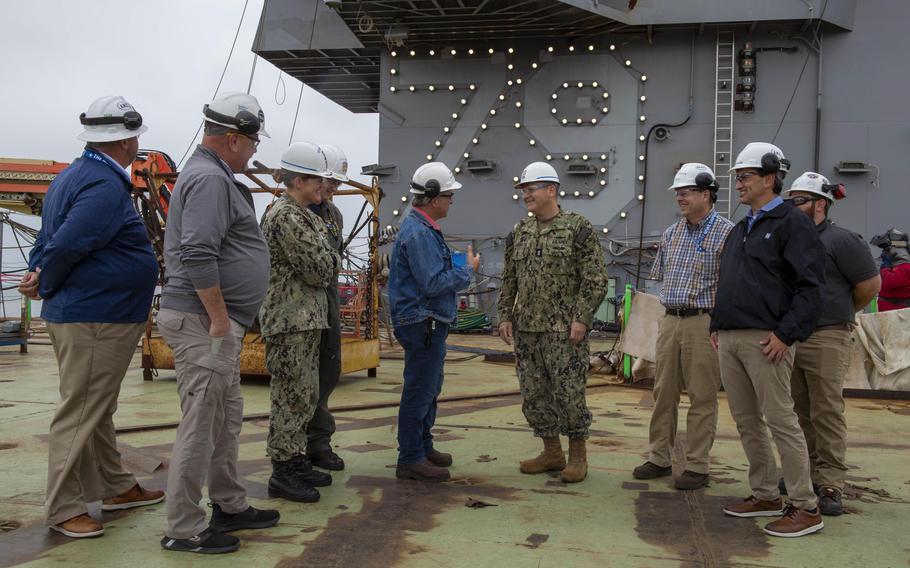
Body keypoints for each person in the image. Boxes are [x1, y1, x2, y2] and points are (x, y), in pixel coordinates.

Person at [18, 95, 163, 538]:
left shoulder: (73, 176)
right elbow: (67, 244)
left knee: (96, 407)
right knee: (81, 410)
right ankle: (63, 509)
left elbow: (49, 237)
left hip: (85, 312)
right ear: (126, 140)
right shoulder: (103, 185)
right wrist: (46, 277)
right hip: (97, 315)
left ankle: (114, 486)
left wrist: (39, 272)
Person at [157, 92, 278, 554]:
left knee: (225, 420)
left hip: (213, 322)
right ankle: (183, 527)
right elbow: (198, 251)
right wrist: (220, 318)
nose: (253, 151)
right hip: (203, 322)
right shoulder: (209, 179)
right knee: (201, 424)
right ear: (232, 139)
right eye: (251, 142)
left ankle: (228, 503)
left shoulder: (215, 175)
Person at [710, 142, 826, 537]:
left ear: (769, 178)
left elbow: (811, 287)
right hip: (730, 336)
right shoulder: (742, 226)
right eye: (738, 178)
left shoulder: (793, 223)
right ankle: (764, 494)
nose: (738, 184)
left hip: (767, 339)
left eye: (744, 177)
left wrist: (786, 334)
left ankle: (805, 506)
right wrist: (716, 327)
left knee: (781, 421)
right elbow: (729, 282)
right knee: (746, 421)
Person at [497, 162, 608, 483]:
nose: (526, 195)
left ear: (551, 190)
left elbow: (596, 279)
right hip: (527, 330)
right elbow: (509, 279)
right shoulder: (520, 232)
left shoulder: (577, 228)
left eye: (531, 189)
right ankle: (552, 452)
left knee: (569, 393)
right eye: (524, 191)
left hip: (565, 332)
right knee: (534, 394)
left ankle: (577, 457)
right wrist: (504, 315)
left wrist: (582, 318)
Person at [782, 172, 880, 516]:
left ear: (820, 203)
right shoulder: (790, 240)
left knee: (826, 410)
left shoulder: (843, 241)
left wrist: (840, 311)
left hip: (827, 335)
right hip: (793, 336)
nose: (791, 206)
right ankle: (803, 473)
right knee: (796, 410)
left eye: (799, 200)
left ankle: (831, 483)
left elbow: (869, 285)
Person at [633, 163, 734, 490]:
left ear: (707, 194)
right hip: (671, 320)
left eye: (686, 191)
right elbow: (660, 280)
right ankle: (659, 457)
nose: (680, 197)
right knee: (663, 393)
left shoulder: (727, 233)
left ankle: (698, 466)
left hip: (704, 322)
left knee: (703, 395)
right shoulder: (671, 234)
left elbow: (732, 285)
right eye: (678, 192)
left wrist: (721, 326)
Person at [389, 162, 479, 482]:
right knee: (420, 389)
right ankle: (410, 457)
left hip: (427, 320)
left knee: (429, 387)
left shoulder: (422, 229)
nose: (452, 200)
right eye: (449, 194)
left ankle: (423, 447)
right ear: (432, 197)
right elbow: (432, 283)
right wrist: (466, 271)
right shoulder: (418, 233)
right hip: (422, 320)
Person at [259, 142, 339, 502]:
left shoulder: (304, 214)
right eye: (317, 180)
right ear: (299, 180)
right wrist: (330, 259)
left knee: (304, 393)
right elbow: (320, 268)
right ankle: (283, 469)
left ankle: (296, 458)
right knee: (290, 396)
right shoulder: (287, 216)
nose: (324, 187)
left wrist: (328, 259)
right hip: (290, 320)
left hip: (304, 318)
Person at [303, 143, 348, 471]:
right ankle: (294, 450)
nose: (333, 189)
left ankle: (319, 443)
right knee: (299, 380)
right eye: (329, 181)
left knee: (327, 372)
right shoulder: (292, 211)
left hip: (328, 304)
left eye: (337, 184)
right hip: (300, 308)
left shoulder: (333, 214)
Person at [870, 227, 910, 311]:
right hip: (887, 313)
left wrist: (884, 267)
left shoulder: (905, 267)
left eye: (887, 249)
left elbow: (889, 281)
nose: (884, 253)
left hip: (899, 315)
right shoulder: (892, 267)